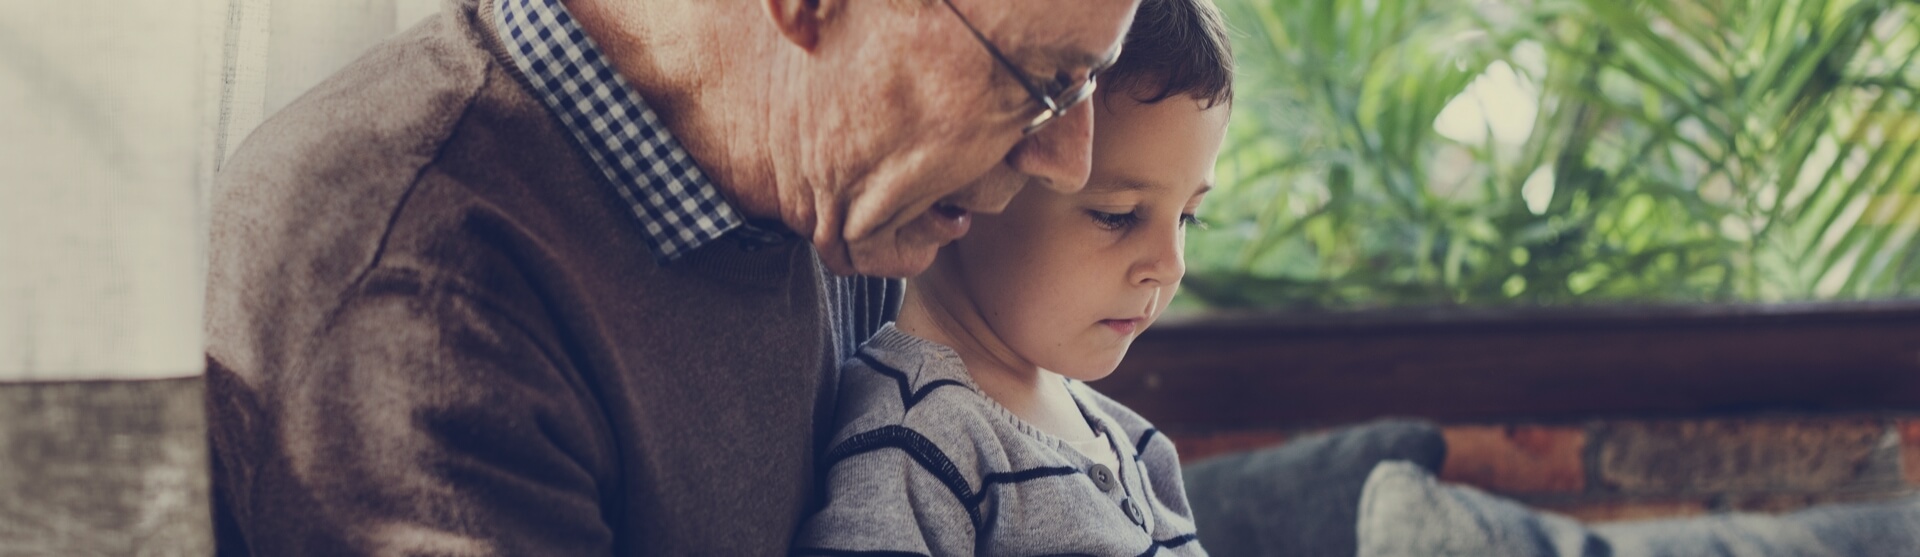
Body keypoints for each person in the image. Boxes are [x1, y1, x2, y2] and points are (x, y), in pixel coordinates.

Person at [201, 0, 1138, 554]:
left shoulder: (843, 192)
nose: (1067, 158)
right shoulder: (412, 287)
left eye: (1094, 79)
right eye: (1045, 81)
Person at [791, 0, 1233, 554]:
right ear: (977, 177)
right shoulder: (918, 442)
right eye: (1117, 215)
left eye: (1188, 217)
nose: (1171, 264)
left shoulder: (1137, 447)